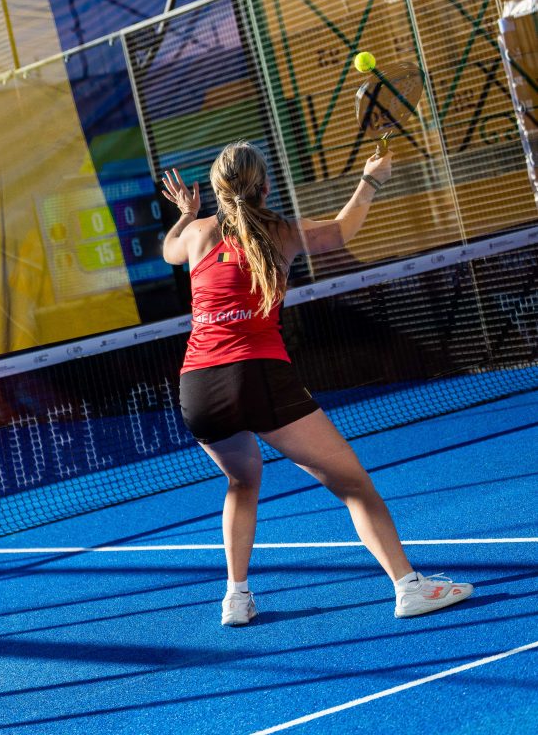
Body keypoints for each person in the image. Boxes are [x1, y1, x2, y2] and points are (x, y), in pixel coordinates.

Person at [161, 141, 473, 626]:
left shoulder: (198, 234)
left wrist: (185, 214)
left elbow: (169, 251)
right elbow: (344, 228)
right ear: (266, 187)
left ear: (219, 190)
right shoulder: (283, 232)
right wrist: (371, 179)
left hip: (198, 388)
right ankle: (408, 587)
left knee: (241, 481)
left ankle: (236, 598)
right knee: (355, 486)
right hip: (259, 376)